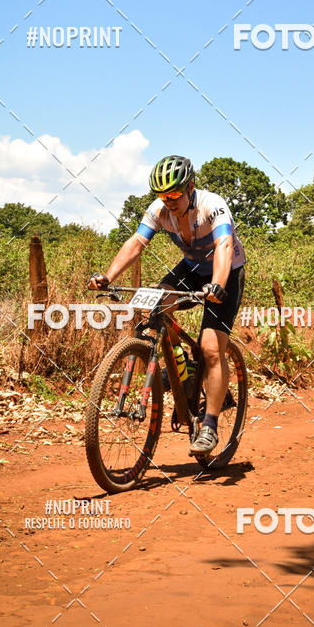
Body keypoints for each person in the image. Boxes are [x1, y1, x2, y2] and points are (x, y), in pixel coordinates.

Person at [88, 154, 246, 455]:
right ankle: (183, 370)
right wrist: (108, 276)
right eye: (162, 195)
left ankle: (209, 425)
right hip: (191, 268)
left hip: (225, 272)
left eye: (174, 194)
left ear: (190, 187)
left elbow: (224, 245)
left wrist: (218, 285)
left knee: (212, 348)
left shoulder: (212, 206)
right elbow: (136, 242)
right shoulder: (160, 210)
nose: (169, 201)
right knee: (155, 305)